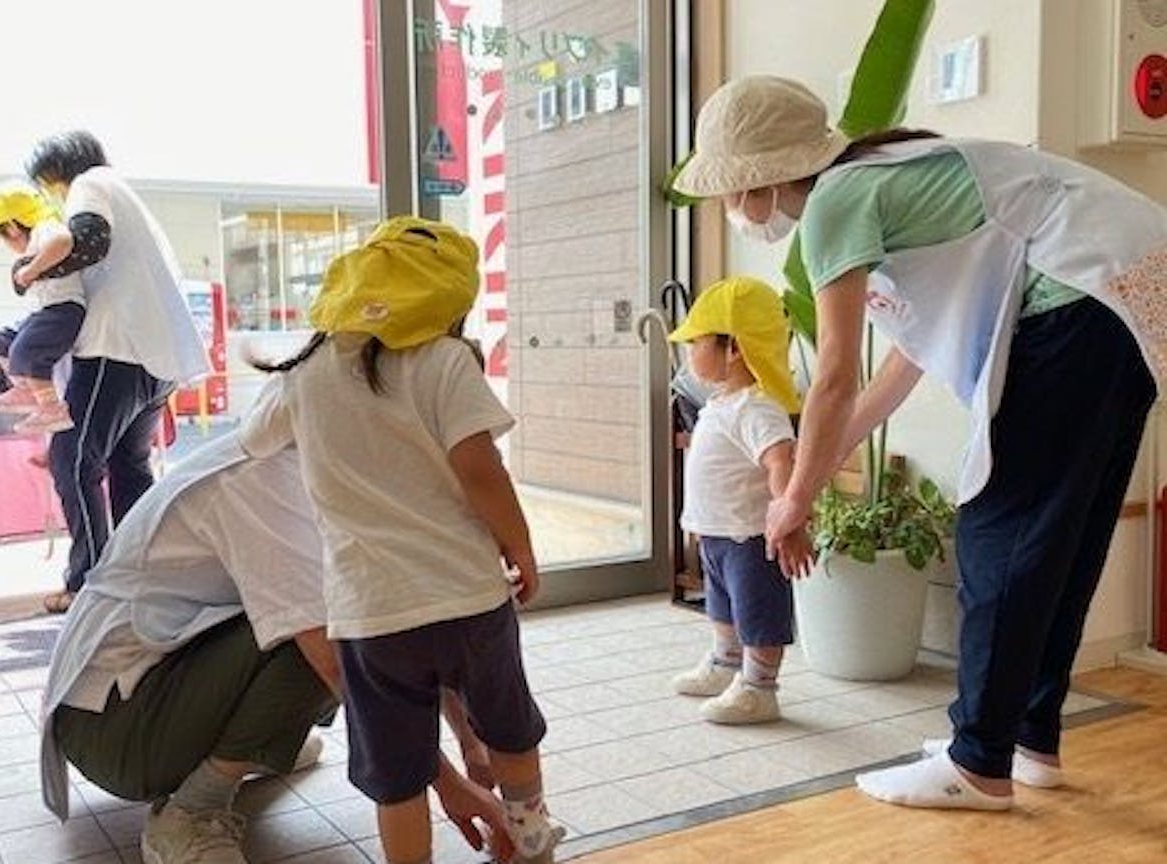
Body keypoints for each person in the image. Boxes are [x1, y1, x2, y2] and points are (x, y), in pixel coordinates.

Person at [673, 75, 1167, 810]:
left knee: (1001, 538)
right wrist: (821, 464)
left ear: (763, 177)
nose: (731, 208)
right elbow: (899, 369)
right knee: (1063, 537)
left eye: (729, 191)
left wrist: (795, 498)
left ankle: (977, 763)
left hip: (1081, 303)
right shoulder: (888, 180)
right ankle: (1025, 739)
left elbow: (835, 374)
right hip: (1128, 300)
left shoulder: (836, 202)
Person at [243, 217, 562, 864]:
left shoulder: (306, 372)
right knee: (509, 727)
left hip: (371, 615)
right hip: (468, 597)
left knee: (399, 774)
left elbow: (253, 441)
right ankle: (528, 837)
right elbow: (480, 468)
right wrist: (519, 546)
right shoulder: (442, 361)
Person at [41, 433, 514, 864]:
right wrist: (450, 785)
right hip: (111, 729)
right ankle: (192, 811)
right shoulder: (265, 476)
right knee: (333, 638)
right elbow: (340, 663)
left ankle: (253, 746)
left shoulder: (322, 462)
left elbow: (406, 624)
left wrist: (472, 745)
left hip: (154, 685)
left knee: (359, 613)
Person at [22, 131, 209, 613]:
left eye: (48, 187)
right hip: (157, 359)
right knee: (129, 467)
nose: (53, 198)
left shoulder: (91, 184)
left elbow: (88, 242)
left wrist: (30, 269)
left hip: (116, 349)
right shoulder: (128, 198)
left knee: (73, 459)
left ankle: (89, 584)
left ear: (57, 174)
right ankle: (136, 575)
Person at [666, 277, 812, 725]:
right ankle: (726, 661)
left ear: (733, 349)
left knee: (757, 610)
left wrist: (789, 520)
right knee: (723, 604)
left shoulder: (756, 407)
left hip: (752, 536)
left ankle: (759, 687)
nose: (690, 353)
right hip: (718, 533)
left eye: (696, 342)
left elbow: (780, 460)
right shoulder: (722, 403)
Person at [0, 180, 85, 435]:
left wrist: (32, 269)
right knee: (0, 342)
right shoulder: (39, 236)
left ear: (12, 227)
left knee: (26, 349)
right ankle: (24, 389)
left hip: (64, 309)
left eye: (3, 237)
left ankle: (51, 407)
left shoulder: (45, 228)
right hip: (47, 311)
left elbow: (63, 241)